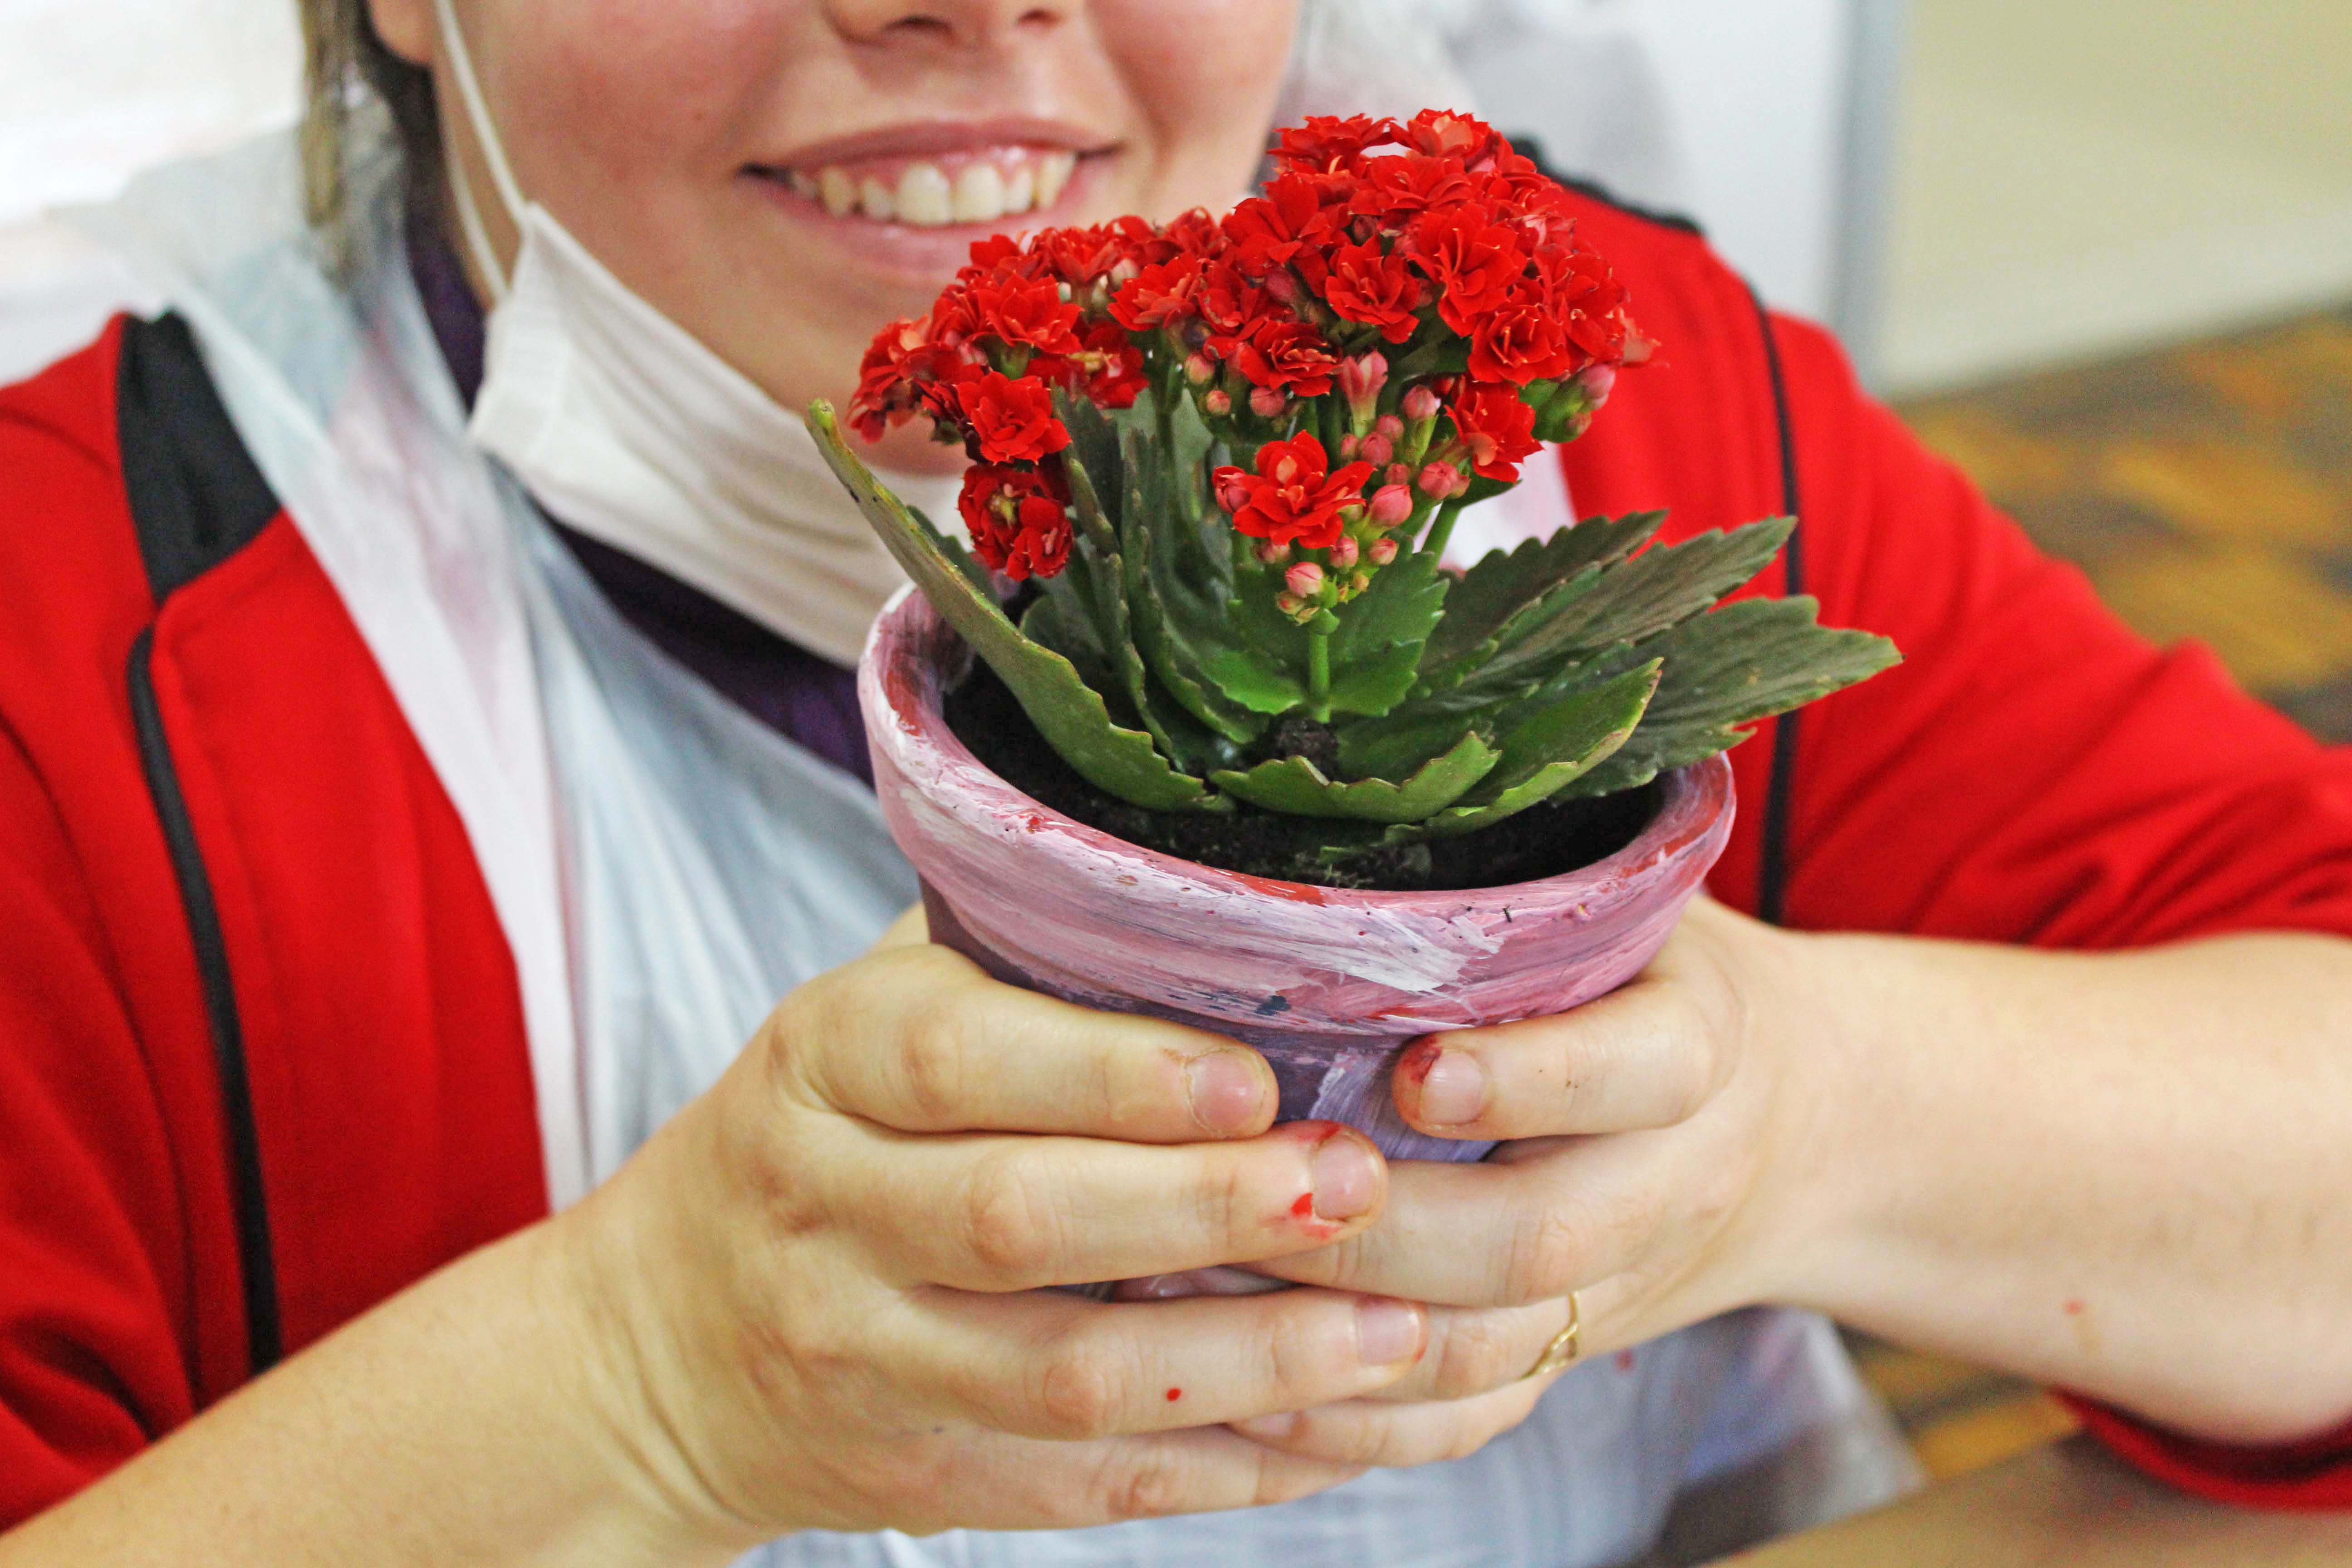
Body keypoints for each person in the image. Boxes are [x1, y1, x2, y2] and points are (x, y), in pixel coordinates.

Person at [2, 1, 2350, 1563]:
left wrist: (1806, 1119)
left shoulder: (1588, 402)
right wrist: (645, 1381)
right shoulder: (82, 642)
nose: (973, 3)